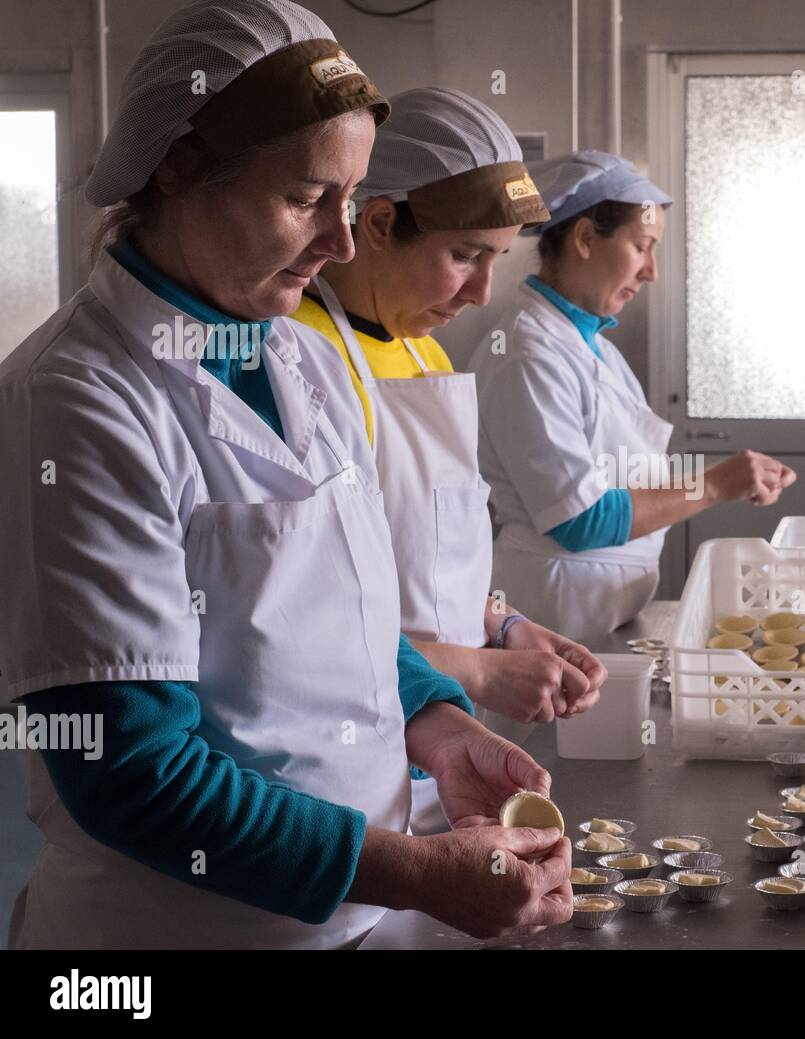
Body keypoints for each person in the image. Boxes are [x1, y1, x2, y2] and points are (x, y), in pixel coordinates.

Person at [0, 0, 568, 949]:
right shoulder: (80, 397)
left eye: (351, 200)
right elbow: (129, 768)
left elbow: (343, 612)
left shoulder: (296, 362)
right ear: (179, 170)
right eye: (308, 199)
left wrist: (434, 721)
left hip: (355, 917)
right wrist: (409, 868)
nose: (343, 242)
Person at [290, 87, 606, 827]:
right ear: (378, 222)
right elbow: (308, 615)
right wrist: (482, 671)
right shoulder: (300, 357)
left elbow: (423, 560)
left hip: (434, 746)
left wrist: (502, 625)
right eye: (463, 255)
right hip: (344, 762)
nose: (481, 291)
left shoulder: (419, 349)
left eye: (495, 258)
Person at [468, 150, 797, 644]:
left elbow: (620, 478)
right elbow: (580, 518)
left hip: (598, 607)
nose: (651, 272)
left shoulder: (589, 344)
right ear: (584, 238)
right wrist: (712, 486)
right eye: (643, 246)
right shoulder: (528, 353)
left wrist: (735, 476)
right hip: (556, 611)